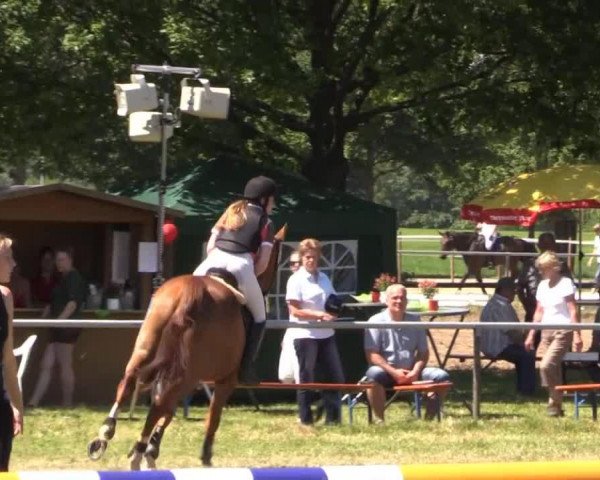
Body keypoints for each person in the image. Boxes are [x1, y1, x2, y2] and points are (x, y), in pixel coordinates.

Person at [193, 175, 276, 383]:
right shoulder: (266, 222)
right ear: (264, 200)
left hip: (209, 264)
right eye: (273, 200)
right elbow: (264, 263)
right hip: (241, 265)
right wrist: (247, 279)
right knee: (260, 317)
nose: (273, 205)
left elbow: (210, 246)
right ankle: (246, 368)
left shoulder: (229, 212)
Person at [363, 284, 450, 423]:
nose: (399, 301)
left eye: (402, 298)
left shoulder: (415, 320)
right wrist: (394, 372)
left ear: (407, 301)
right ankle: (379, 421)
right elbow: (372, 354)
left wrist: (415, 371)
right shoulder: (374, 321)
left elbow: (423, 352)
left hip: (412, 371)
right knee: (373, 374)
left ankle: (428, 421)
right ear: (386, 301)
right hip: (387, 372)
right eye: (395, 298)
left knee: (442, 377)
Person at [286, 238, 344, 425]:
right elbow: (295, 310)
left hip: (327, 334)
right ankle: (305, 420)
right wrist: (318, 314)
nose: (311, 260)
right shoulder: (295, 280)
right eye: (307, 257)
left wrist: (334, 312)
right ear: (302, 258)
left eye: (314, 257)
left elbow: (333, 301)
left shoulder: (325, 278)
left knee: (334, 377)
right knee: (306, 378)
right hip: (305, 335)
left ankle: (333, 418)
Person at [524, 251, 582, 417]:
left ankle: (553, 401)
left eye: (544, 269)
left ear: (554, 267)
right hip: (546, 331)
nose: (541, 272)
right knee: (550, 368)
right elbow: (538, 312)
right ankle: (556, 405)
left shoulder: (565, 283)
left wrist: (577, 335)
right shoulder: (542, 286)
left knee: (546, 365)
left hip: (563, 331)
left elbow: (572, 310)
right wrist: (531, 334)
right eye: (540, 269)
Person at [28, 246, 86, 407]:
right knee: (46, 364)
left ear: (70, 260)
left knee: (65, 364)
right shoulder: (61, 278)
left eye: (62, 260)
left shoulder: (74, 277)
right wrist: (45, 317)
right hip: (56, 327)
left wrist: (60, 321)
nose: (58, 263)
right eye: (57, 260)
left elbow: (72, 303)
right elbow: (53, 301)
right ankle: (34, 402)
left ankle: (67, 403)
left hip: (67, 327)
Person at [479, 278, 536, 396]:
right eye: (513, 290)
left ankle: (524, 387)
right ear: (504, 290)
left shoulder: (495, 303)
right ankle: (526, 390)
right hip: (498, 346)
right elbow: (511, 332)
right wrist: (525, 340)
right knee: (527, 353)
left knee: (524, 353)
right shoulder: (501, 306)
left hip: (491, 345)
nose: (514, 293)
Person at [0, 235, 24, 471]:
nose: (14, 263)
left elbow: (7, 358)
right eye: (8, 257)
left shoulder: (5, 298)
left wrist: (16, 404)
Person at [278, 251, 301, 384]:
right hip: (293, 328)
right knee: (285, 375)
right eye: (292, 263)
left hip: (308, 331)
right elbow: (292, 313)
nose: (295, 265)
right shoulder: (291, 281)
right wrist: (287, 334)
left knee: (301, 374)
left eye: (298, 262)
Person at [587, 223, 600, 294]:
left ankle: (594, 288)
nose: (595, 232)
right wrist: (590, 260)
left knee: (597, 275)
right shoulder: (596, 238)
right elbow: (595, 250)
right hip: (599, 260)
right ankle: (595, 288)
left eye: (596, 231)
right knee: (598, 275)